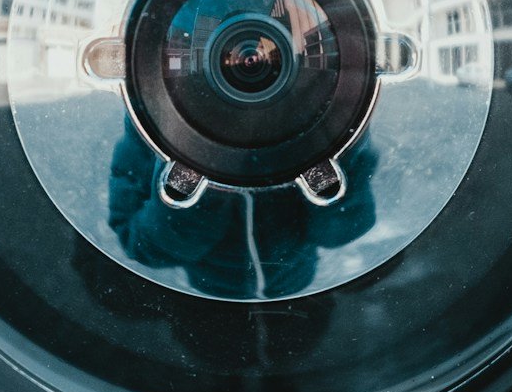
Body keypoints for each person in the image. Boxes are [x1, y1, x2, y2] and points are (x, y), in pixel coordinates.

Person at [104, 124, 379, 300]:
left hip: (298, 292)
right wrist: (195, 180)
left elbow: (339, 229)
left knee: (302, 362)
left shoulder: (319, 112)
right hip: (209, 303)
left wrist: (321, 150)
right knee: (208, 373)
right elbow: (140, 242)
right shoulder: (152, 122)